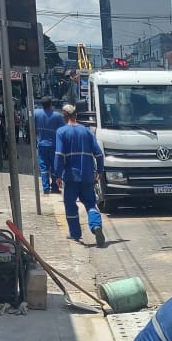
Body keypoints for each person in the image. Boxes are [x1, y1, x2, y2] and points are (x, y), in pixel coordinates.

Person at [53, 103, 105, 247]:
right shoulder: (87, 132)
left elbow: (59, 155)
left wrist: (57, 175)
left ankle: (75, 233)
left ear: (64, 116)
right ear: (76, 115)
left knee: (70, 205)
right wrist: (99, 170)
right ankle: (96, 226)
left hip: (71, 177)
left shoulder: (61, 132)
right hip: (88, 175)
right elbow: (99, 154)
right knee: (90, 203)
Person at [32, 96, 65, 194]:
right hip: (54, 146)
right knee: (54, 167)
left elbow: (31, 126)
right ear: (51, 104)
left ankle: (46, 188)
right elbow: (64, 130)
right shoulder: (57, 116)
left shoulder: (36, 113)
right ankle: (54, 188)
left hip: (42, 144)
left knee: (43, 167)